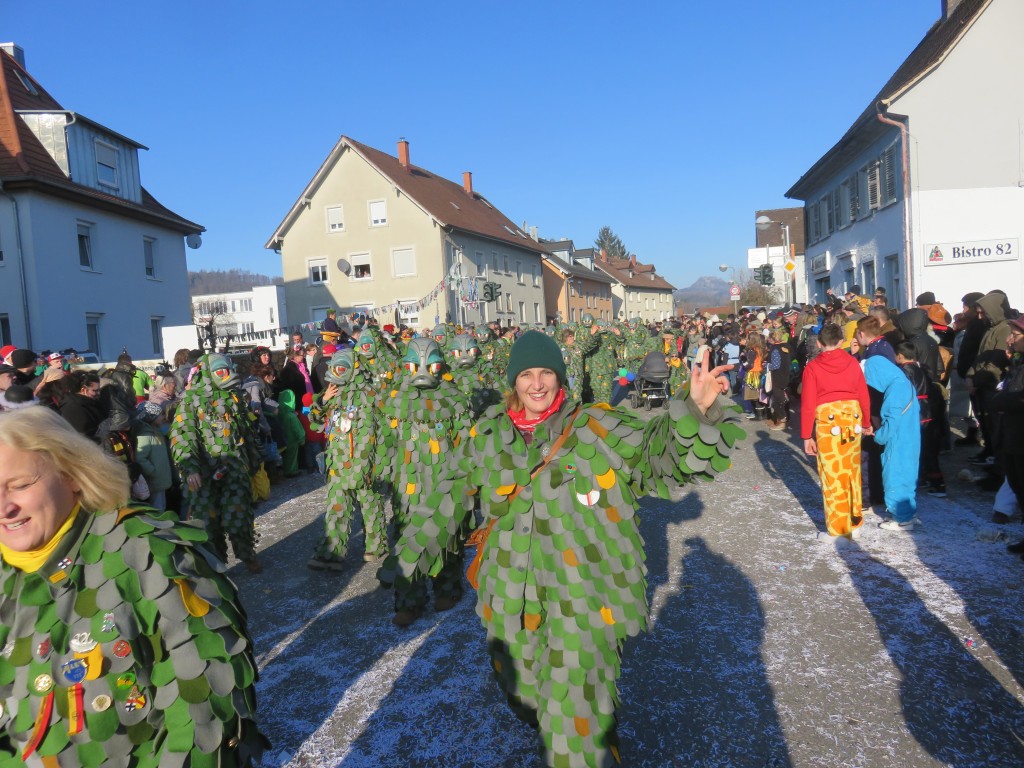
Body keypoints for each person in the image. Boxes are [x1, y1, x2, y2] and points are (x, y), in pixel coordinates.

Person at [379, 331, 740, 768]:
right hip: (511, 594)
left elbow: (657, 454)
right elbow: (449, 492)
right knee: (523, 690)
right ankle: (573, 731)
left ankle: (581, 744)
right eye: (526, 374)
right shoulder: (489, 433)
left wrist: (695, 408)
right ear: (513, 381)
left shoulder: (597, 427)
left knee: (573, 710)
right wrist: (411, 554)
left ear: (560, 377)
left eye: (546, 372)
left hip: (584, 595)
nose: (536, 383)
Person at [0, 406, 266, 765]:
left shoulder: (152, 553)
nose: (4, 507)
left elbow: (204, 721)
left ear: (72, 474)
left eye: (19, 485)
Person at [169, 354, 264, 572]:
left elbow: (247, 431)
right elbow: (183, 435)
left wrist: (254, 459)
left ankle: (247, 555)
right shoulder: (191, 400)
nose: (228, 375)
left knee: (239, 516)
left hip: (235, 470)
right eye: (221, 371)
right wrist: (190, 469)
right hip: (204, 475)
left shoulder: (234, 397)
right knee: (208, 523)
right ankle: (217, 565)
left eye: (227, 370)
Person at [801, 323, 872, 538]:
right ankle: (854, 521)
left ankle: (838, 529)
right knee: (852, 471)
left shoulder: (812, 367)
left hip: (828, 422)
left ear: (819, 343)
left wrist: (806, 435)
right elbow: (863, 395)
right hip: (853, 418)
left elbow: (807, 404)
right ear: (841, 341)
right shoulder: (853, 363)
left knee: (832, 474)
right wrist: (867, 422)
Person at [862, 353, 922, 530]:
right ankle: (908, 513)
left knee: (895, 475)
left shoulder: (895, 389)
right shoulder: (903, 382)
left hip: (898, 441)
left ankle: (902, 519)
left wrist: (878, 436)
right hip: (910, 438)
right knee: (908, 474)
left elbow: (891, 420)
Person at [895, 341, 946, 498]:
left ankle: (937, 484)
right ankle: (929, 480)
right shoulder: (921, 368)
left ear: (900, 356)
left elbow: (904, 393)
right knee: (926, 449)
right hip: (926, 411)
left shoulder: (906, 371)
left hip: (915, 413)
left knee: (921, 450)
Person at [135, 400, 175, 511]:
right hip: (155, 482)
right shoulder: (145, 435)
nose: (163, 417)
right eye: (160, 415)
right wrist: (153, 471)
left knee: (162, 506)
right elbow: (140, 458)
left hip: (160, 480)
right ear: (152, 417)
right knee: (158, 509)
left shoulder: (156, 431)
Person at [58, 370, 106, 441]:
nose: (98, 393)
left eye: (99, 390)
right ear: (84, 390)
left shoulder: (89, 402)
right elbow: (84, 437)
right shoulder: (74, 409)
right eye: (94, 391)